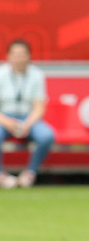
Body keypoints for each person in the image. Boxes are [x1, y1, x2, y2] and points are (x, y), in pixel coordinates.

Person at [0, 41, 55, 188]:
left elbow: (39, 106)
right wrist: (6, 121)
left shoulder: (37, 75)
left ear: (29, 56)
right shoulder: (1, 74)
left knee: (46, 135)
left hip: (28, 117)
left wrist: (27, 124)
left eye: (22, 55)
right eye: (15, 55)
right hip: (4, 117)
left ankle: (30, 173)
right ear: (8, 56)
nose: (19, 58)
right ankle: (1, 175)